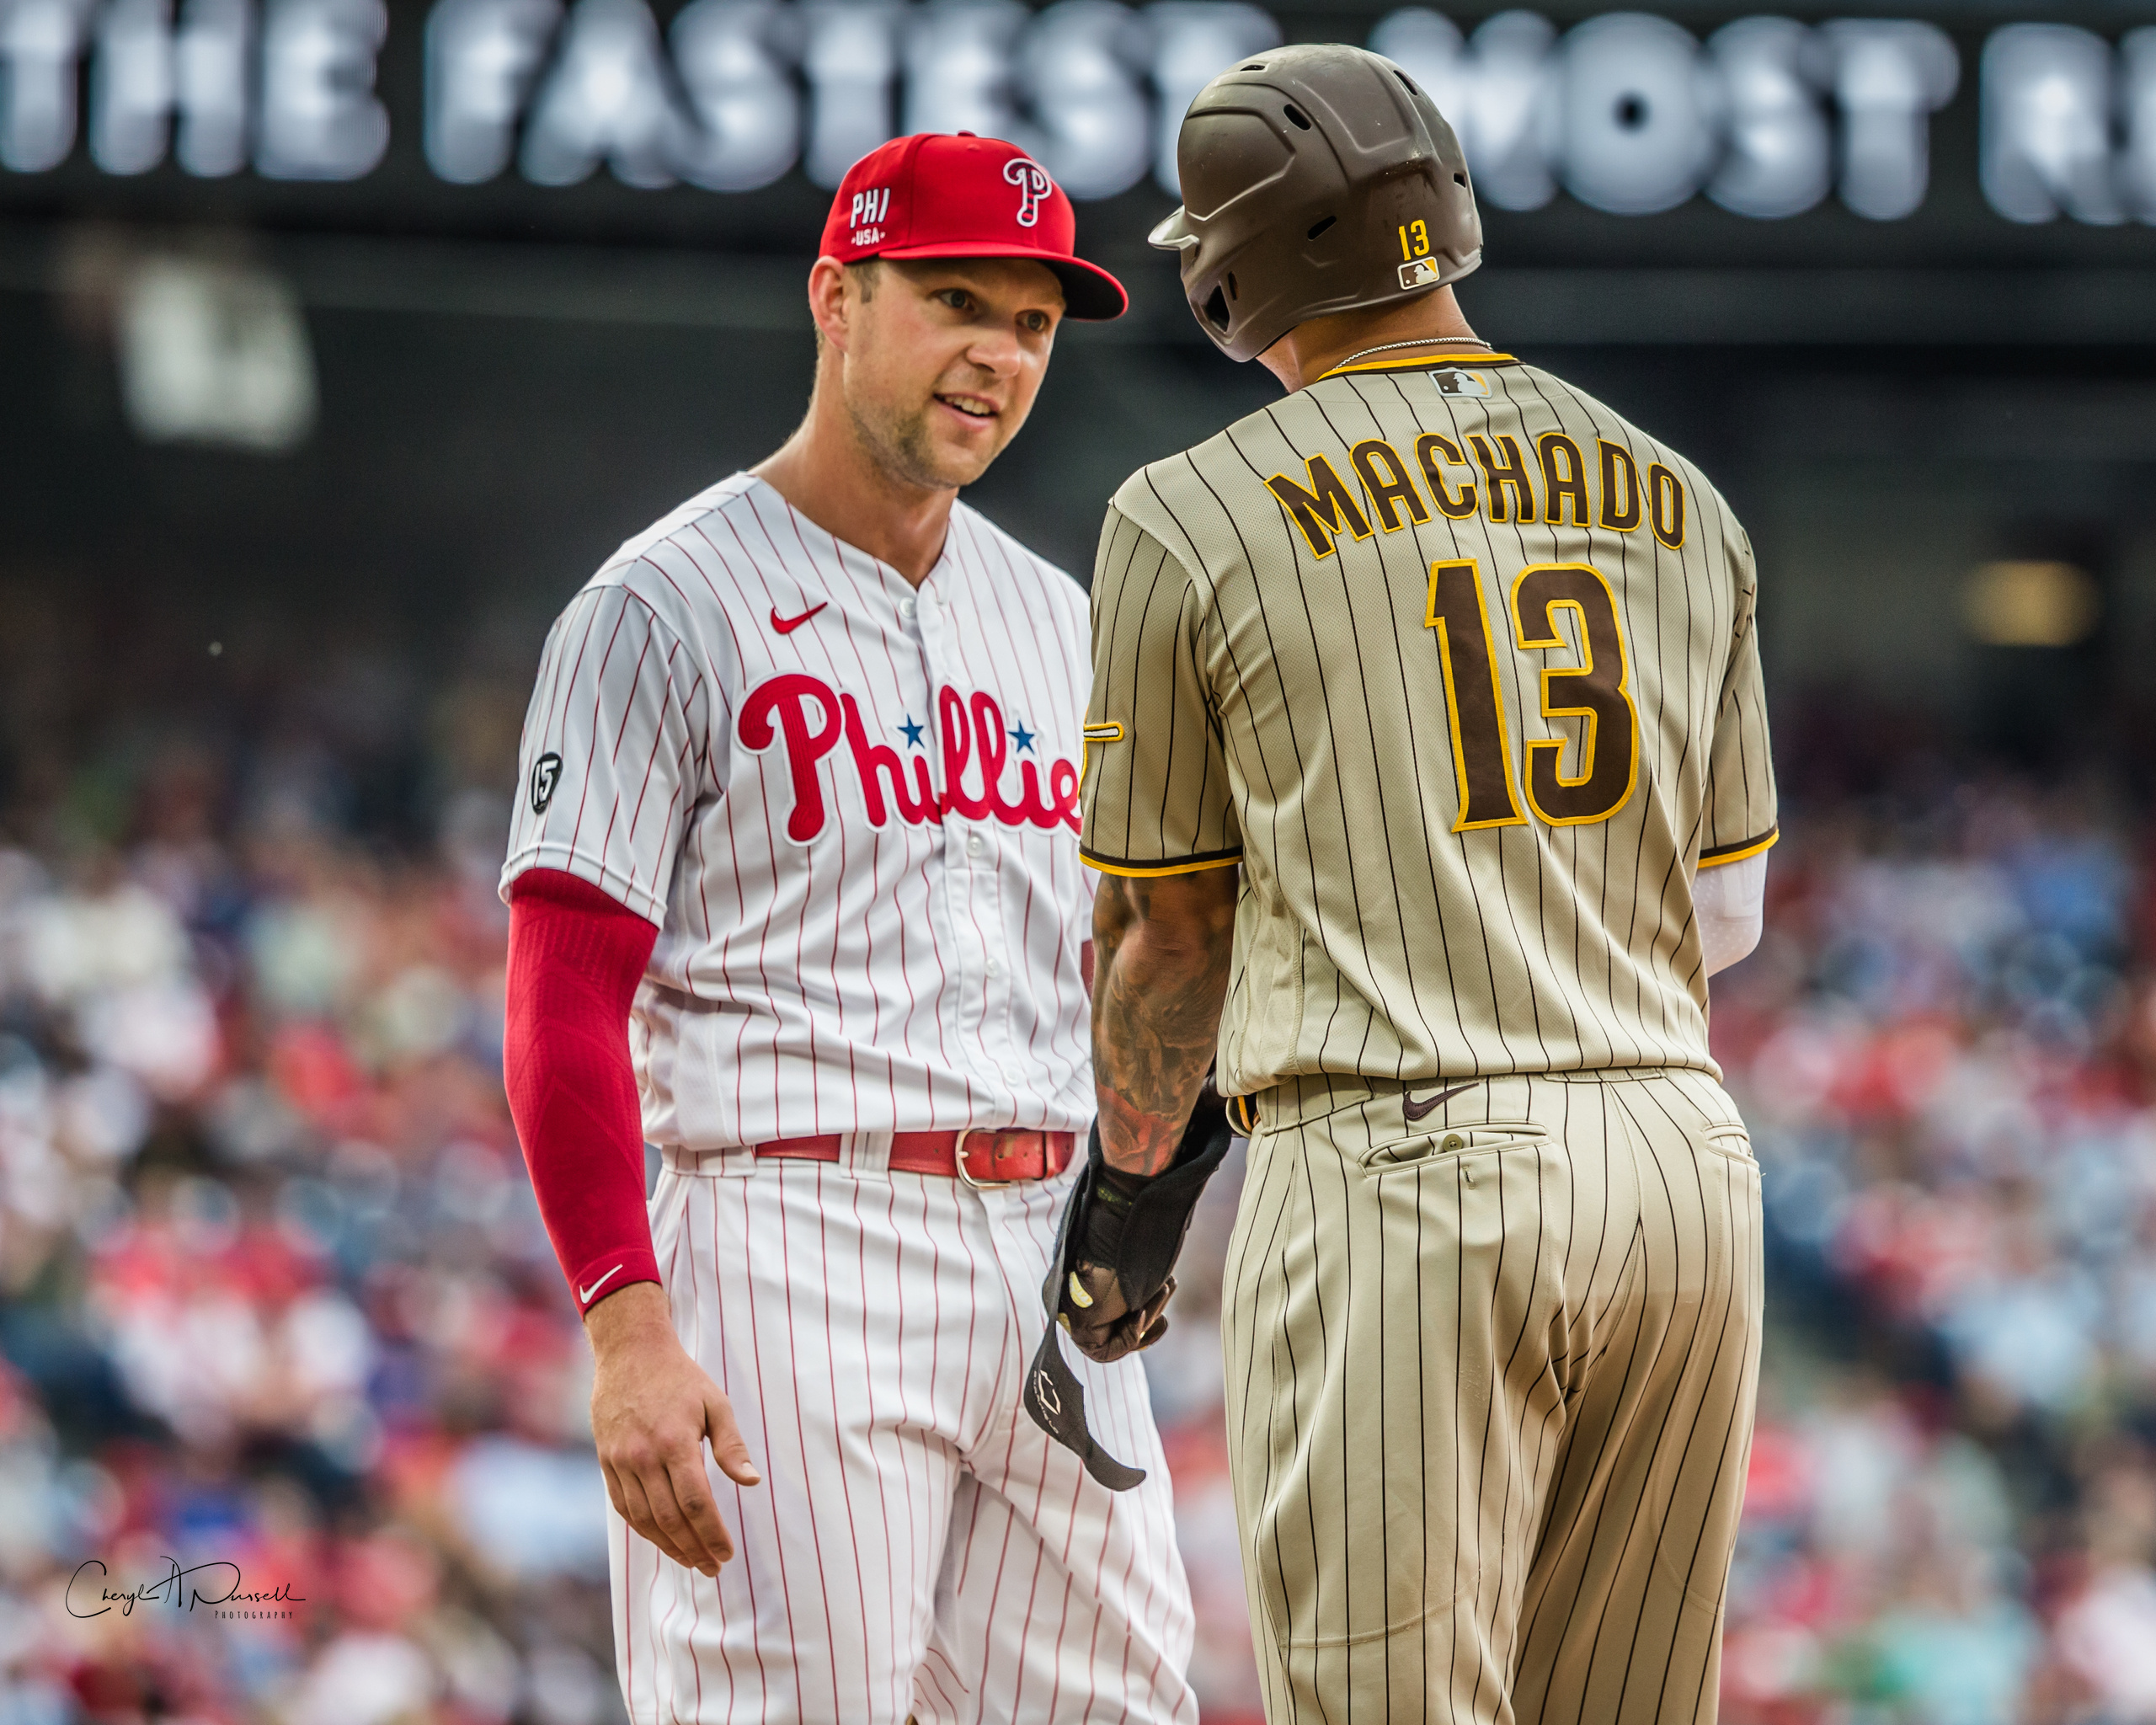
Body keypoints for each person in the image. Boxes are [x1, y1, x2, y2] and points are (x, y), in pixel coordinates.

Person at [1038, 45, 1776, 1725]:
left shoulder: (1181, 512)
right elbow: (1720, 920)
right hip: (1676, 1159)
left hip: (1406, 1169)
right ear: (1441, 217)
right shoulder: (1678, 498)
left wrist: (1128, 1209)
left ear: (1233, 277)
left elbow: (1176, 935)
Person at [498, 131, 1196, 1725]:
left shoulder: (1060, 618)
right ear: (835, 294)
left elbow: (1125, 961)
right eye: (955, 300)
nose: (998, 357)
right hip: (792, 1236)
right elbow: (559, 998)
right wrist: (625, 1324)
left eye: (1031, 325)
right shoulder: (657, 607)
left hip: (1052, 1252)